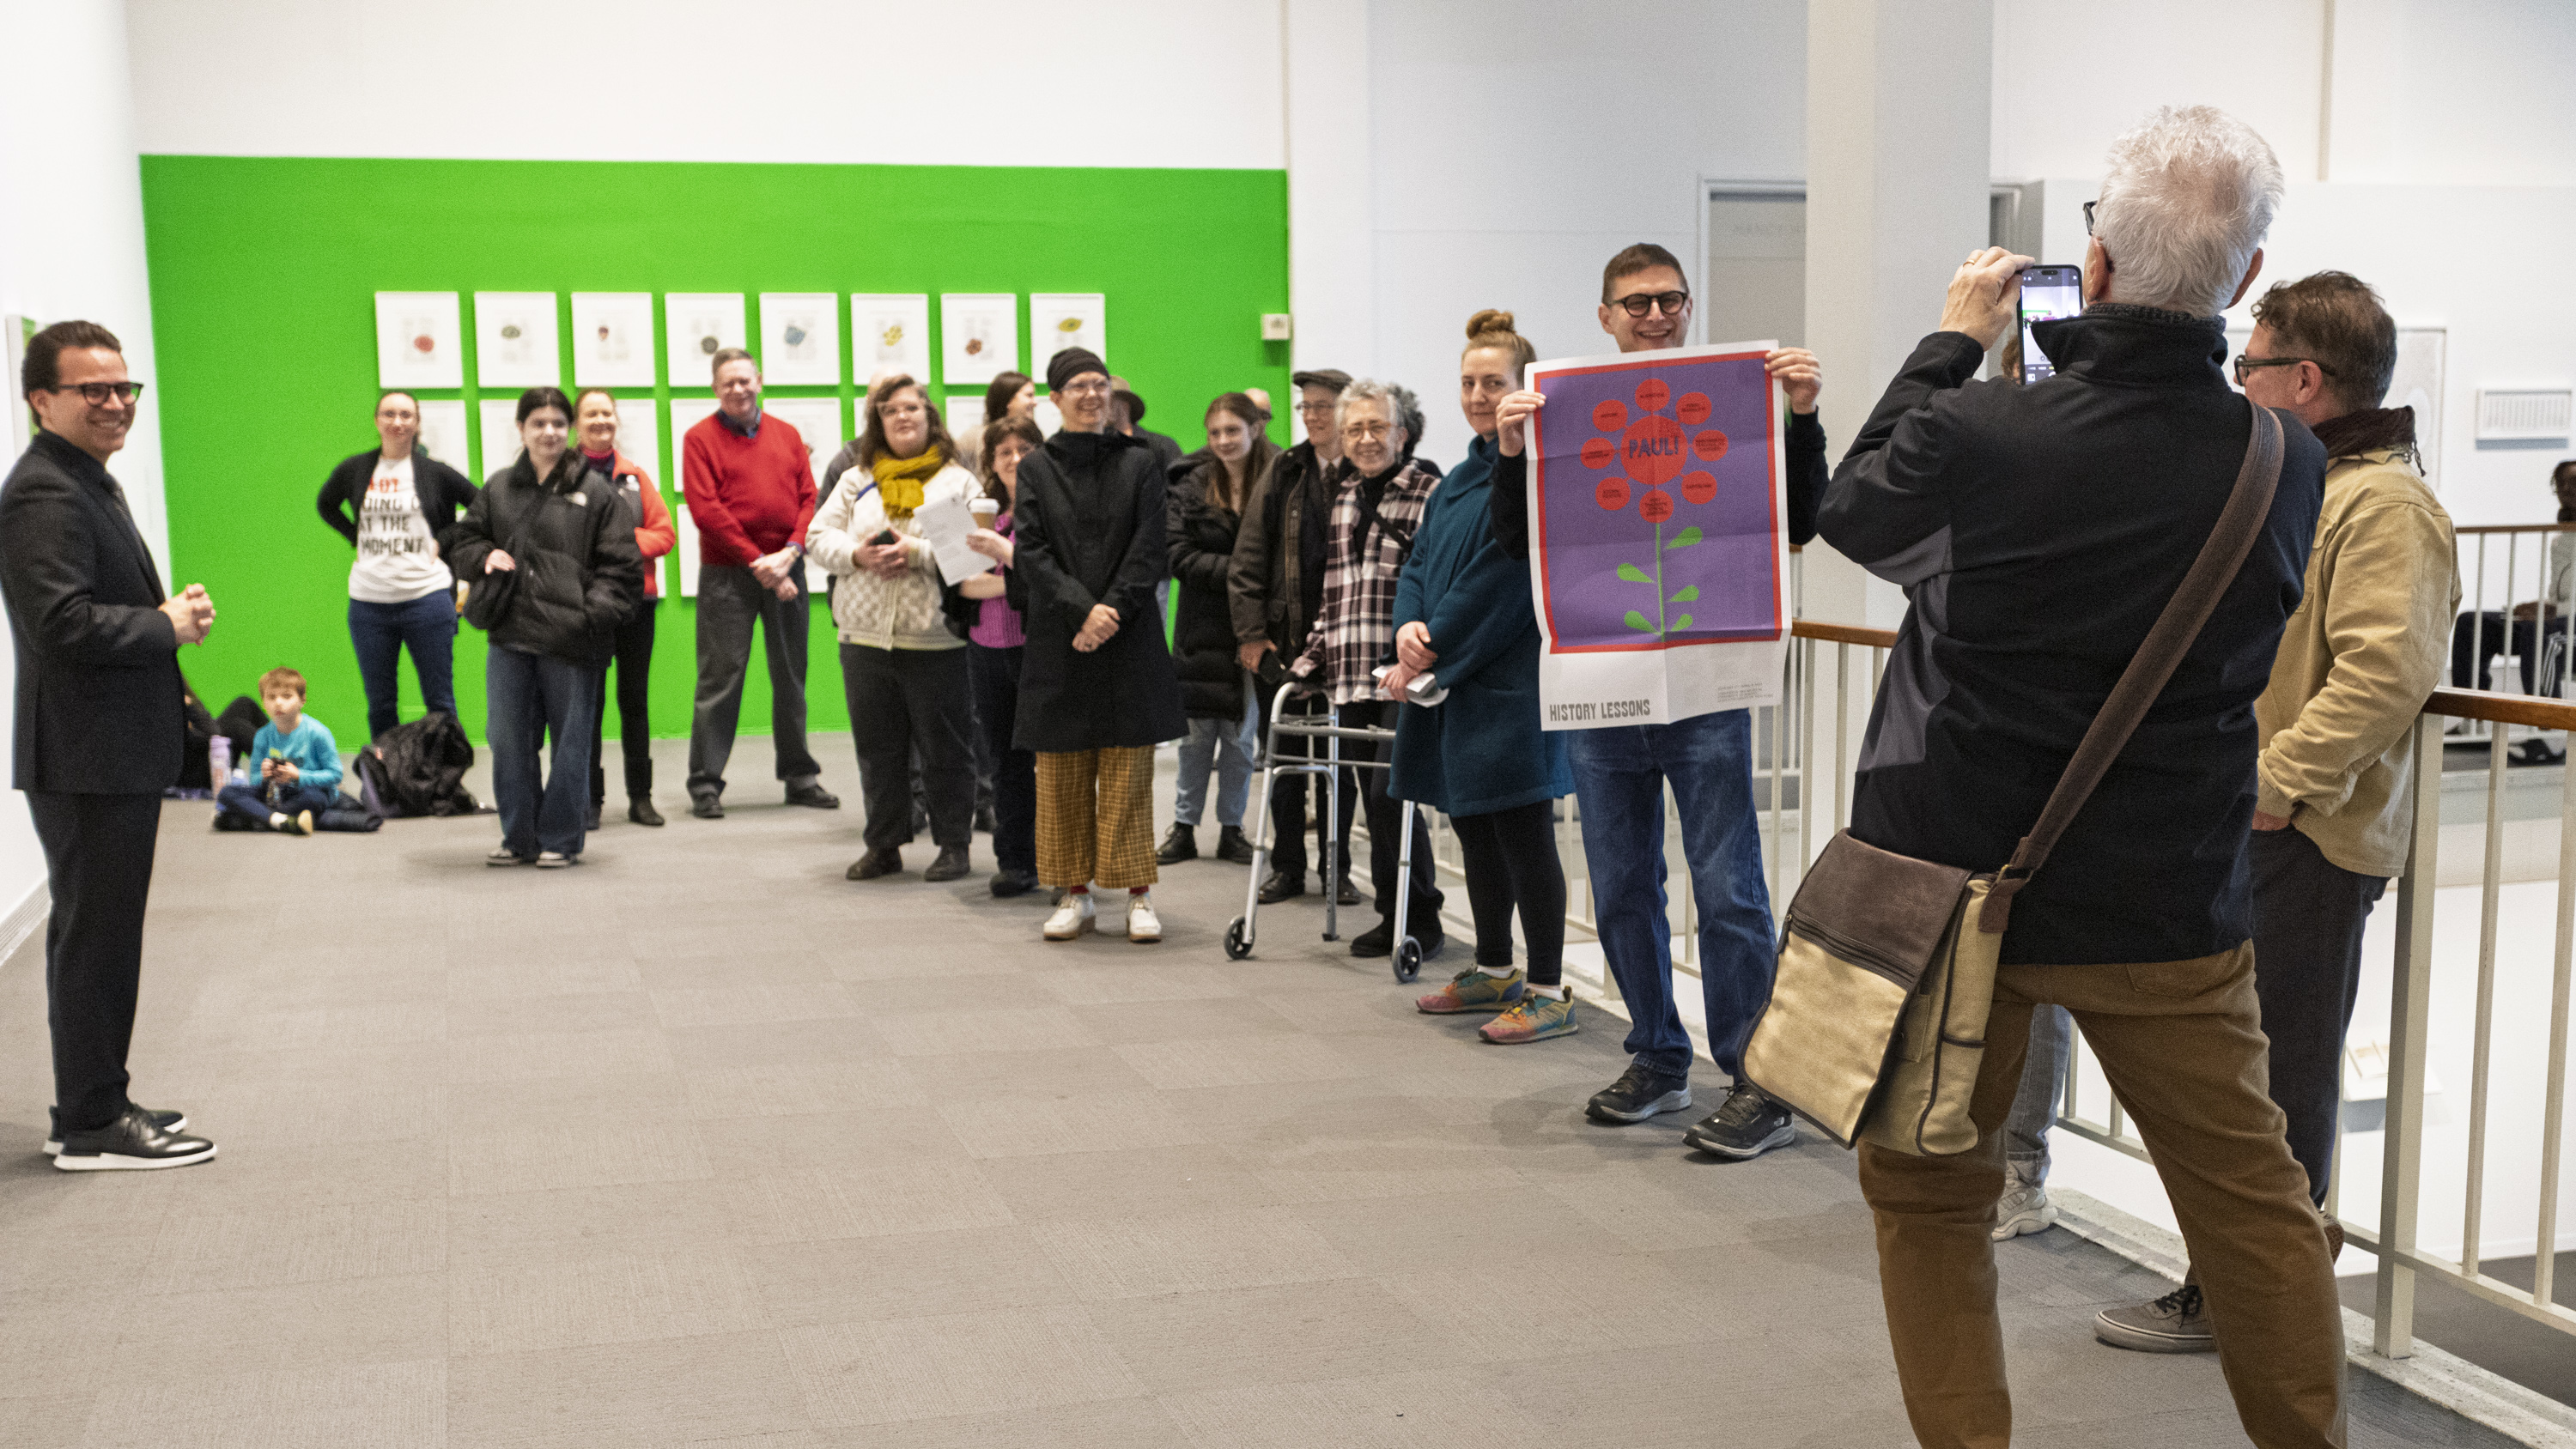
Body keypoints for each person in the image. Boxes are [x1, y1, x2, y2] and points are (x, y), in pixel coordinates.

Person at [1819, 106, 2344, 1447]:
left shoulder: (1984, 435)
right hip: (2168, 899)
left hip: (1950, 894)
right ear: (2240, 284)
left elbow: (1856, 511)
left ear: (2093, 267)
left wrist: (1956, 338)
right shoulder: (2288, 461)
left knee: (1933, 1199)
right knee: (2252, 1208)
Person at [2073, 271, 2456, 1355]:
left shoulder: (2385, 503)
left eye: (2248, 364)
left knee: (2280, 1072)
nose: (2233, 380)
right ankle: (2242, 1288)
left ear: (2305, 379)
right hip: (2256, 818)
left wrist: (2278, 785)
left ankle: (2252, 1304)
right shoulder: (2310, 480)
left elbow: (2386, 671)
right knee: (2240, 1066)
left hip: (2308, 830)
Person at [1487, 242, 1829, 1155]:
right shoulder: (1557, 413)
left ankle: (1757, 1079)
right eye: (1634, 303)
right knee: (1626, 884)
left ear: (1687, 305)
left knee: (1729, 889)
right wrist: (1511, 452)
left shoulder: (1742, 402)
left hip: (1707, 689)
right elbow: (1519, 540)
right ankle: (1656, 1054)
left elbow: (1800, 514)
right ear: (1604, 316)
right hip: (1604, 685)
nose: (1653, 315)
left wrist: (1800, 418)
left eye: (1669, 300)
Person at [3, 319, 220, 1170]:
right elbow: (60, 623)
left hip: (105, 749)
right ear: (41, 399)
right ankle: (94, 1123)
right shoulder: (43, 493)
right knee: (97, 937)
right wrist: (162, 624)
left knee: (97, 932)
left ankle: (94, 1100)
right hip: (85, 754)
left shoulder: (82, 478)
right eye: (92, 389)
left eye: (124, 386)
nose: (115, 402)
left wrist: (164, 629)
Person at [1394, 312, 1577, 1042]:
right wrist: (1409, 625)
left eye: (1492, 382)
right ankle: (1495, 967)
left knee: (1525, 833)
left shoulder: (1538, 474)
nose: (1476, 394)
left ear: (1524, 388)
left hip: (1506, 683)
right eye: (1468, 382)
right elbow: (1420, 562)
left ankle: (1548, 988)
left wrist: (1432, 646)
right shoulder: (1458, 476)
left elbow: (1504, 579)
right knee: (1472, 828)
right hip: (1450, 681)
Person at [1011, 348, 1186, 942]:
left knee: (1128, 772)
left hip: (1127, 635)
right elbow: (1030, 552)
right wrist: (1084, 610)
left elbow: (1151, 546)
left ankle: (1138, 896)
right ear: (1054, 399)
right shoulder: (1034, 468)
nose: (1091, 395)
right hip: (1062, 638)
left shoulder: (1141, 462)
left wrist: (1109, 611)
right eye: (1077, 386)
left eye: (1098, 384)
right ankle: (1073, 893)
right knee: (1059, 775)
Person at [450, 386, 644, 867]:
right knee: (508, 739)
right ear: (521, 430)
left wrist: (587, 616)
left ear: (570, 430)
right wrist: (481, 555)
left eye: (559, 423)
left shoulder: (599, 493)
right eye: (538, 423)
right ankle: (518, 837)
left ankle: (561, 837)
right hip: (510, 636)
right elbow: (463, 539)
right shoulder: (498, 487)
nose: (550, 432)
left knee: (571, 745)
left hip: (573, 642)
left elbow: (622, 569)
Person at [1289, 379, 1446, 956]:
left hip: (1404, 670)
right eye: (1354, 428)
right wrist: (1308, 660)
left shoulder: (1431, 491)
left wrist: (1426, 650)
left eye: (1377, 426)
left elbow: (1438, 582)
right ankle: (1391, 911)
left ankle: (1420, 915)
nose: (1365, 438)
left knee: (1390, 792)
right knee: (1369, 796)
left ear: (1401, 433)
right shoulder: (1345, 498)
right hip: (1350, 669)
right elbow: (1335, 593)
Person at [808, 374, 980, 883]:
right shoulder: (857, 477)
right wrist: (858, 554)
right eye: (890, 411)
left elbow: (968, 559)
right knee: (877, 749)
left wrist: (917, 553)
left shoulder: (955, 482)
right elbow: (818, 536)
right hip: (863, 638)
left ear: (930, 417)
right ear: (877, 422)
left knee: (945, 749)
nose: (902, 417)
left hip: (933, 638)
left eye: (912, 408)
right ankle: (884, 844)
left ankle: (954, 845)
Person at [680, 347, 838, 818]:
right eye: (727, 382)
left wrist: (790, 553)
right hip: (728, 575)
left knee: (792, 676)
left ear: (759, 381)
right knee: (720, 678)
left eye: (745, 380)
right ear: (715, 388)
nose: (738, 389)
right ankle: (705, 782)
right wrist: (759, 563)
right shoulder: (699, 439)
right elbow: (707, 510)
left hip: (788, 565)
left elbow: (810, 499)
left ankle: (799, 776)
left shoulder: (787, 436)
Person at [1230, 367, 1360, 906]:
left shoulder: (1365, 469)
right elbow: (1248, 556)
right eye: (1306, 407)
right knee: (1284, 759)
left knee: (1342, 763)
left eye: (1323, 407)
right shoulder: (1284, 470)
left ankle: (1338, 869)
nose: (1313, 417)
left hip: (1350, 646)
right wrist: (1252, 635)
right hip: (1284, 642)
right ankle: (1287, 867)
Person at [317, 390, 477, 740]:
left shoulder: (435, 472)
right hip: (369, 602)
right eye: (389, 414)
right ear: (377, 421)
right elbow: (325, 504)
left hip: (427, 598)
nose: (397, 422)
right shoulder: (355, 468)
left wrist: (444, 540)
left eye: (406, 415)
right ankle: (387, 785)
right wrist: (354, 537)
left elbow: (481, 507)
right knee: (381, 704)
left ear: (417, 423)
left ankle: (443, 784)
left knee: (439, 702)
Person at [1160, 391, 1275, 868]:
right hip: (1199, 622)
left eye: (1233, 430)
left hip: (1252, 626)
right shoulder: (1189, 484)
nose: (1224, 440)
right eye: (1215, 432)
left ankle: (1233, 828)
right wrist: (1241, 571)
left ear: (1255, 430)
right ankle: (1182, 828)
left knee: (1241, 734)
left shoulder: (1276, 481)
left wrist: (1246, 579)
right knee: (1193, 734)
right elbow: (1176, 554)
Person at [571, 390, 675, 828]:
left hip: (636, 603)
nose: (600, 420)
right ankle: (589, 800)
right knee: (588, 704)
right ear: (577, 423)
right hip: (585, 605)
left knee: (634, 700)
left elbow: (664, 535)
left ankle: (641, 797)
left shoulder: (635, 477)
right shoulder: (564, 476)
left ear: (616, 421)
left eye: (607, 413)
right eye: (591, 414)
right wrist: (627, 544)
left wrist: (614, 545)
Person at [961, 416, 1045, 898]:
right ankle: (1014, 862)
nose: (1015, 459)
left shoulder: (1052, 509)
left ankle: (1056, 859)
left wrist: (1007, 567)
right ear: (990, 462)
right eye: (1004, 452)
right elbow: (967, 583)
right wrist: (1020, 575)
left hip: (1036, 649)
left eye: (1024, 448)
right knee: (1004, 762)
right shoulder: (980, 515)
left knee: (1050, 762)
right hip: (985, 649)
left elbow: (1054, 581)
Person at [2447, 458, 2576, 709]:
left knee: (2541, 632)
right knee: (2473, 623)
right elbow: (2559, 595)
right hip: (2564, 617)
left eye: (2574, 482)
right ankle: (2473, 716)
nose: (2567, 489)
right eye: (2561, 484)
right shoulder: (2561, 541)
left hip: (2570, 625)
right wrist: (2542, 606)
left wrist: (2550, 612)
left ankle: (2544, 732)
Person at [216, 666, 341, 834]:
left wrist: (298, 776)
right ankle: (279, 820)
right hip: (275, 794)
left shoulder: (318, 733)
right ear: (263, 703)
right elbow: (255, 780)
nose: (278, 702)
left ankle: (253, 817)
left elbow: (335, 775)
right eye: (271, 697)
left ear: (302, 700)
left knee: (315, 799)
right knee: (226, 792)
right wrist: (265, 776)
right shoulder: (262, 735)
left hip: (307, 791)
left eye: (287, 696)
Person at [1109, 373, 1185, 476]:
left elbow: (1182, 489)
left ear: (1125, 407)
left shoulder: (1162, 448)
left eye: (1107, 401)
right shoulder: (1091, 451)